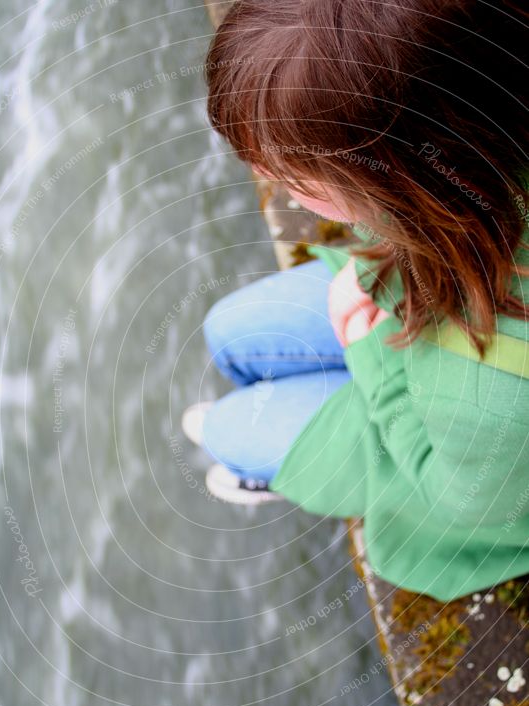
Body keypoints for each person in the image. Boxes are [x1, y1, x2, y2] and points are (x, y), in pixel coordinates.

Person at [183, 0, 529, 601]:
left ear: (398, 171)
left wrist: (372, 358)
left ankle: (262, 462)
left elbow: (466, 502)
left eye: (297, 177)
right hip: (425, 277)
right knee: (229, 329)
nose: (277, 186)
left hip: (433, 432)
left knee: (225, 429)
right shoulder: (481, 123)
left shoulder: (499, 400)